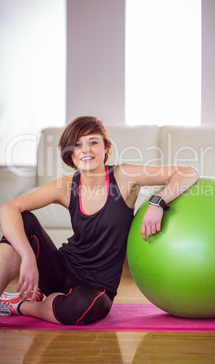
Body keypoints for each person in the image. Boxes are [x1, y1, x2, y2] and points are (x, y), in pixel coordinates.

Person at [0, 116, 199, 325]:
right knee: (23, 219)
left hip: (96, 288)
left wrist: (158, 202)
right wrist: (28, 257)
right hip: (61, 270)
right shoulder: (66, 186)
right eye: (77, 145)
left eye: (93, 142)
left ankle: (20, 305)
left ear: (106, 147)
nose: (86, 149)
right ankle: (42, 299)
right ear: (71, 155)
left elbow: (188, 172)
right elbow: (9, 208)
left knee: (80, 309)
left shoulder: (124, 176)